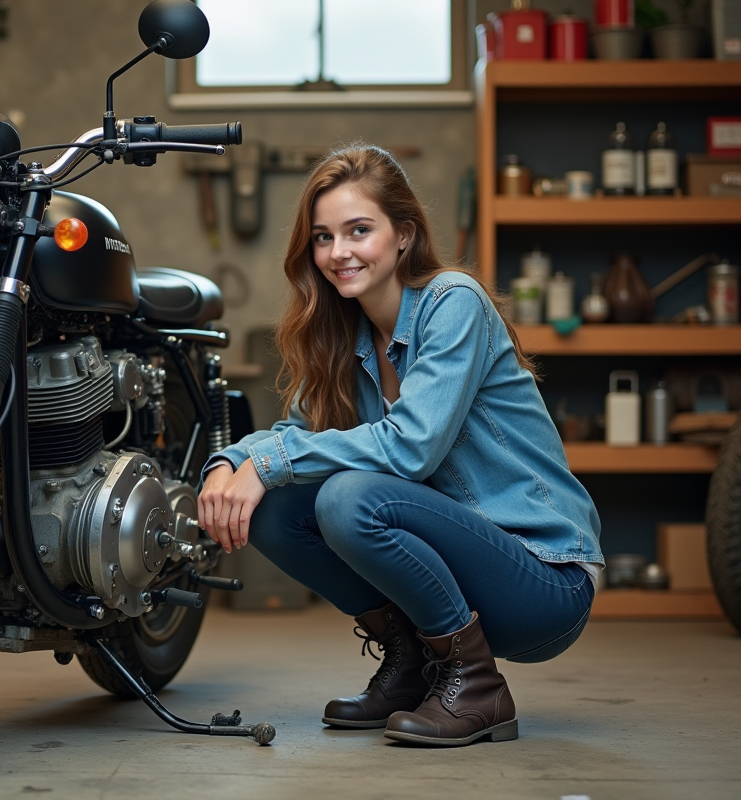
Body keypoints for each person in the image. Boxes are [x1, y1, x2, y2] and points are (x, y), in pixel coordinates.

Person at [197, 143, 602, 747]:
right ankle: (414, 664)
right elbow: (296, 434)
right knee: (276, 510)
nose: (339, 253)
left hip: (543, 580)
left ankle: (477, 683)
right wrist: (229, 464)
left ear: (404, 235)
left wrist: (270, 464)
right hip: (467, 571)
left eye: (359, 230)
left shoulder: (452, 302)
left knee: (348, 498)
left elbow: (412, 448)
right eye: (323, 237)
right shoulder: (346, 336)